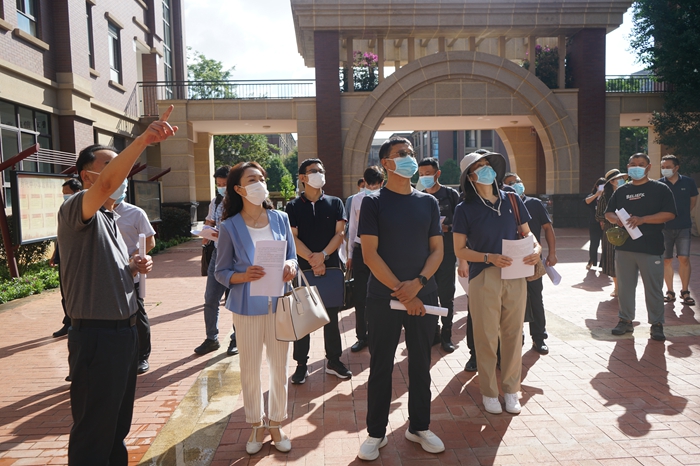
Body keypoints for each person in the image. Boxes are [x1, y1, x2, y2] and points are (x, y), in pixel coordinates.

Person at [57, 106, 175, 465]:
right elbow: (108, 184)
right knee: (94, 430)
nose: (120, 175)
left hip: (123, 334)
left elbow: (103, 269)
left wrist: (132, 266)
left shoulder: (110, 217)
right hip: (96, 336)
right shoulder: (76, 208)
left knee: (116, 426)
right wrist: (142, 141)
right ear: (87, 176)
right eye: (110, 166)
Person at [357, 137, 445, 461]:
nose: (409, 158)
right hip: (384, 297)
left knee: (421, 363)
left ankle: (419, 427)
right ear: (386, 163)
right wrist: (402, 291)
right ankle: (376, 433)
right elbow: (369, 255)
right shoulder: (373, 202)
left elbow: (437, 251)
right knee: (381, 365)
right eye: (401, 154)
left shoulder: (428, 203)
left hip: (423, 296)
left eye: (411, 153)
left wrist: (418, 285)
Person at [214, 161, 298, 455]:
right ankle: (255, 424)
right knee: (250, 369)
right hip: (246, 306)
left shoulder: (280, 218)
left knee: (279, 368)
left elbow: (292, 256)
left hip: (279, 304)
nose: (260, 183)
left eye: (261, 177)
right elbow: (220, 272)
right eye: (252, 179)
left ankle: (276, 422)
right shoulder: (229, 226)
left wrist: (291, 265)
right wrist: (242, 276)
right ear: (238, 189)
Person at [453, 151, 541, 415]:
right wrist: (488, 257)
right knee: (486, 336)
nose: (486, 169)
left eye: (487, 164)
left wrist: (537, 250)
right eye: (479, 167)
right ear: (470, 177)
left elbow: (528, 234)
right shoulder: (464, 208)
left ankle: (512, 390)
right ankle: (490, 391)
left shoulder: (512, 199)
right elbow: (459, 249)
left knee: (514, 333)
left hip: (515, 274)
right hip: (484, 276)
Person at [285, 158, 350, 384]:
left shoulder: (335, 203)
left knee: (331, 317)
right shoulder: (293, 206)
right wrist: (312, 260)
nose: (319, 174)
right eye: (313, 171)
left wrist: (322, 256)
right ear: (302, 177)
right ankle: (301, 365)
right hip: (303, 270)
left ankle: (334, 360)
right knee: (303, 317)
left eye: (321, 170)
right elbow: (292, 238)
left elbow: (340, 234)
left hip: (330, 268)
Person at [605, 153, 677, 341]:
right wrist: (617, 220)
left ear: (648, 167)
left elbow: (669, 214)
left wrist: (643, 220)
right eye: (632, 164)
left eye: (640, 164)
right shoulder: (621, 191)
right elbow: (608, 213)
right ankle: (625, 320)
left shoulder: (660, 189)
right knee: (625, 288)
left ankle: (657, 324)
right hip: (624, 247)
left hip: (651, 247)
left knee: (653, 288)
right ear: (628, 167)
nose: (636, 167)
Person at [503, 172, 557, 354]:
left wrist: (552, 253)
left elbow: (547, 228)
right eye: (510, 183)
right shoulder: (503, 205)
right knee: (513, 301)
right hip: (510, 261)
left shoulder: (534, 203)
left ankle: (539, 337)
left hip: (532, 259)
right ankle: (518, 336)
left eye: (517, 181)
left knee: (535, 299)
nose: (515, 185)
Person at [417, 157, 460, 352]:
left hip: (447, 253)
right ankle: (433, 333)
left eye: (428, 174)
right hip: (425, 255)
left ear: (437, 174)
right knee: (428, 294)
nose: (424, 177)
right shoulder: (418, 197)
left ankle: (446, 335)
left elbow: (461, 224)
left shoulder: (451, 195)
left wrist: (447, 228)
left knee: (446, 294)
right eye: (421, 174)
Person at [194, 166, 238, 356]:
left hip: (236, 258)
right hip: (217, 255)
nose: (221, 188)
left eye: (224, 184)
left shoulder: (241, 202)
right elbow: (210, 221)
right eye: (218, 184)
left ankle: (237, 338)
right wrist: (206, 233)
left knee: (236, 300)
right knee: (210, 298)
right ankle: (211, 338)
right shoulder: (216, 201)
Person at [114, 198, 156, 374]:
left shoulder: (135, 213)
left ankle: (142, 356)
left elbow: (150, 242)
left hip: (131, 272)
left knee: (137, 314)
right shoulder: (96, 212)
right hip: (107, 274)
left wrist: (133, 259)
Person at [346, 166, 385, 352]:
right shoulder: (356, 199)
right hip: (360, 250)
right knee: (360, 296)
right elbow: (353, 228)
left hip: (381, 251)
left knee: (381, 295)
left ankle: (380, 335)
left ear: (381, 183)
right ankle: (362, 336)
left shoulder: (387, 198)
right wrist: (349, 255)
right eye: (368, 185)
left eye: (375, 185)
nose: (371, 188)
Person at [659, 154, 698, 306]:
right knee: (666, 260)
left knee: (684, 258)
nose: (665, 170)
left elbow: (692, 202)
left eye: (668, 167)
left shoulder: (688, 182)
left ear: (676, 167)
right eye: (663, 167)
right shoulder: (659, 184)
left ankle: (685, 291)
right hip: (664, 228)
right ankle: (670, 292)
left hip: (683, 226)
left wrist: (682, 215)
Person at [51, 178, 83, 338]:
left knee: (77, 291)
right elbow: (62, 234)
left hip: (78, 258)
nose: (64, 196)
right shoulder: (64, 209)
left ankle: (78, 321)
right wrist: (55, 254)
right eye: (63, 193)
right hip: (64, 257)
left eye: (67, 193)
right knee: (65, 292)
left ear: (77, 192)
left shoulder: (84, 210)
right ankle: (69, 321)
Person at [597, 169, 628, 297]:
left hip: (627, 229)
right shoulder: (605, 197)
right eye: (617, 179)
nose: (621, 181)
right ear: (612, 182)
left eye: (621, 178)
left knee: (626, 258)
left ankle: (625, 286)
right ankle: (616, 287)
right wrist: (613, 218)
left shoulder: (627, 194)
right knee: (612, 258)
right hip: (611, 232)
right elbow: (599, 215)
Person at [584, 178, 607, 270]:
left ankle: (603, 263)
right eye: (602, 186)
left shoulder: (608, 196)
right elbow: (586, 201)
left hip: (606, 223)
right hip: (594, 223)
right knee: (594, 243)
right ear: (597, 186)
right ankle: (592, 261)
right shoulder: (592, 196)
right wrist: (597, 194)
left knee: (605, 244)